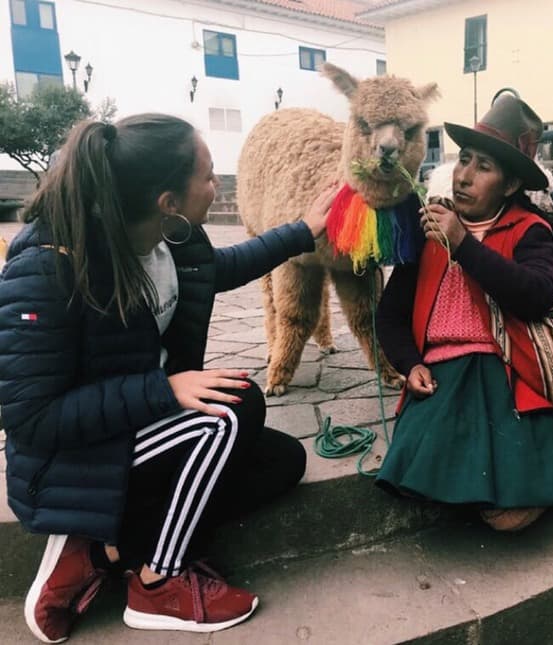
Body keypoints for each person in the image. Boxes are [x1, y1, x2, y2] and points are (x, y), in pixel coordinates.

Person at [0, 113, 337, 641]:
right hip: (69, 459)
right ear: (168, 201)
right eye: (206, 175)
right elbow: (32, 419)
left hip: (136, 428)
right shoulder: (48, 269)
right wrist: (163, 388)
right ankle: (158, 583)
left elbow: (221, 268)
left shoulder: (170, 242)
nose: (216, 184)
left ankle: (106, 548)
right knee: (230, 412)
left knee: (282, 461)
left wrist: (303, 232)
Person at [375, 94, 553, 533]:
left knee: (508, 520)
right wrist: (409, 364)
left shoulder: (531, 230)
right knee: (435, 484)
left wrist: (465, 246)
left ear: (508, 186)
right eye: (464, 160)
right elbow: (389, 315)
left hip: (508, 371)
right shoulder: (430, 227)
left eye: (483, 167)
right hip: (442, 375)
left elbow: (537, 296)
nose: (464, 177)